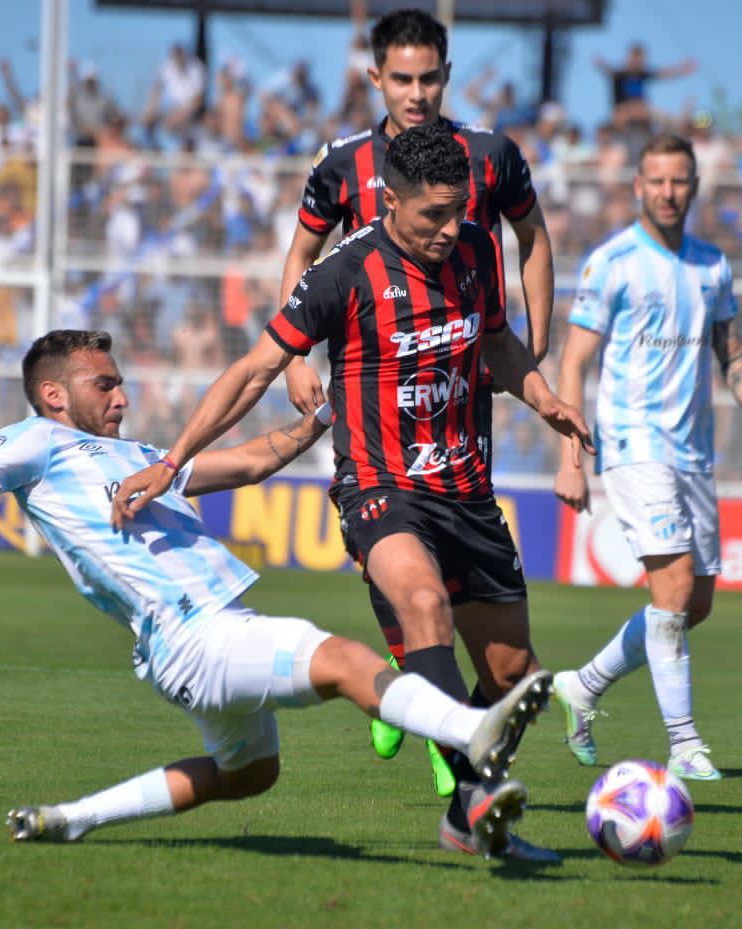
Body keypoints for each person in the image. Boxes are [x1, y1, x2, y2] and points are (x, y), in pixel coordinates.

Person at [0, 329, 550, 858]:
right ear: (53, 396)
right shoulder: (36, 443)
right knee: (343, 659)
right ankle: (471, 734)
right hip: (193, 632)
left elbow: (242, 464)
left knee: (249, 775)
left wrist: (312, 428)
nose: (122, 396)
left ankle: (76, 817)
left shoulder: (139, 455)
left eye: (120, 382)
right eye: (103, 383)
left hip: (194, 640)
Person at [110, 125, 593, 861]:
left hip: (466, 488)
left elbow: (496, 342)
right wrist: (174, 458)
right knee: (423, 602)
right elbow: (254, 370)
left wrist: (544, 397)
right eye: (432, 213)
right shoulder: (347, 271)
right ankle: (472, 800)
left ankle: (467, 813)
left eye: (459, 210)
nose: (449, 227)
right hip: (380, 484)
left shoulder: (476, 249)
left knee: (512, 676)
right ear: (390, 200)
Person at [275, 8, 556, 787]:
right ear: (376, 79)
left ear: (447, 76)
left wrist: (536, 345)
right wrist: (297, 355)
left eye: (430, 77)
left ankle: (410, 699)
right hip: (374, 390)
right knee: (411, 577)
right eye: (401, 78)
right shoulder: (342, 165)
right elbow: (303, 252)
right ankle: (447, 744)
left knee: (509, 659)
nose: (417, 92)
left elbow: (533, 237)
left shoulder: (490, 158)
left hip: (458, 396)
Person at [547, 133, 742, 780]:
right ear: (637, 187)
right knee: (674, 586)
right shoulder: (613, 262)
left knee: (693, 602)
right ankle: (684, 743)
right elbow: (572, 363)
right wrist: (571, 456)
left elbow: (730, 351)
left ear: (695, 186)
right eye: (656, 180)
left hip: (693, 452)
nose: (668, 191)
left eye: (679, 180)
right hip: (630, 443)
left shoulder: (713, 265)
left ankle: (583, 685)